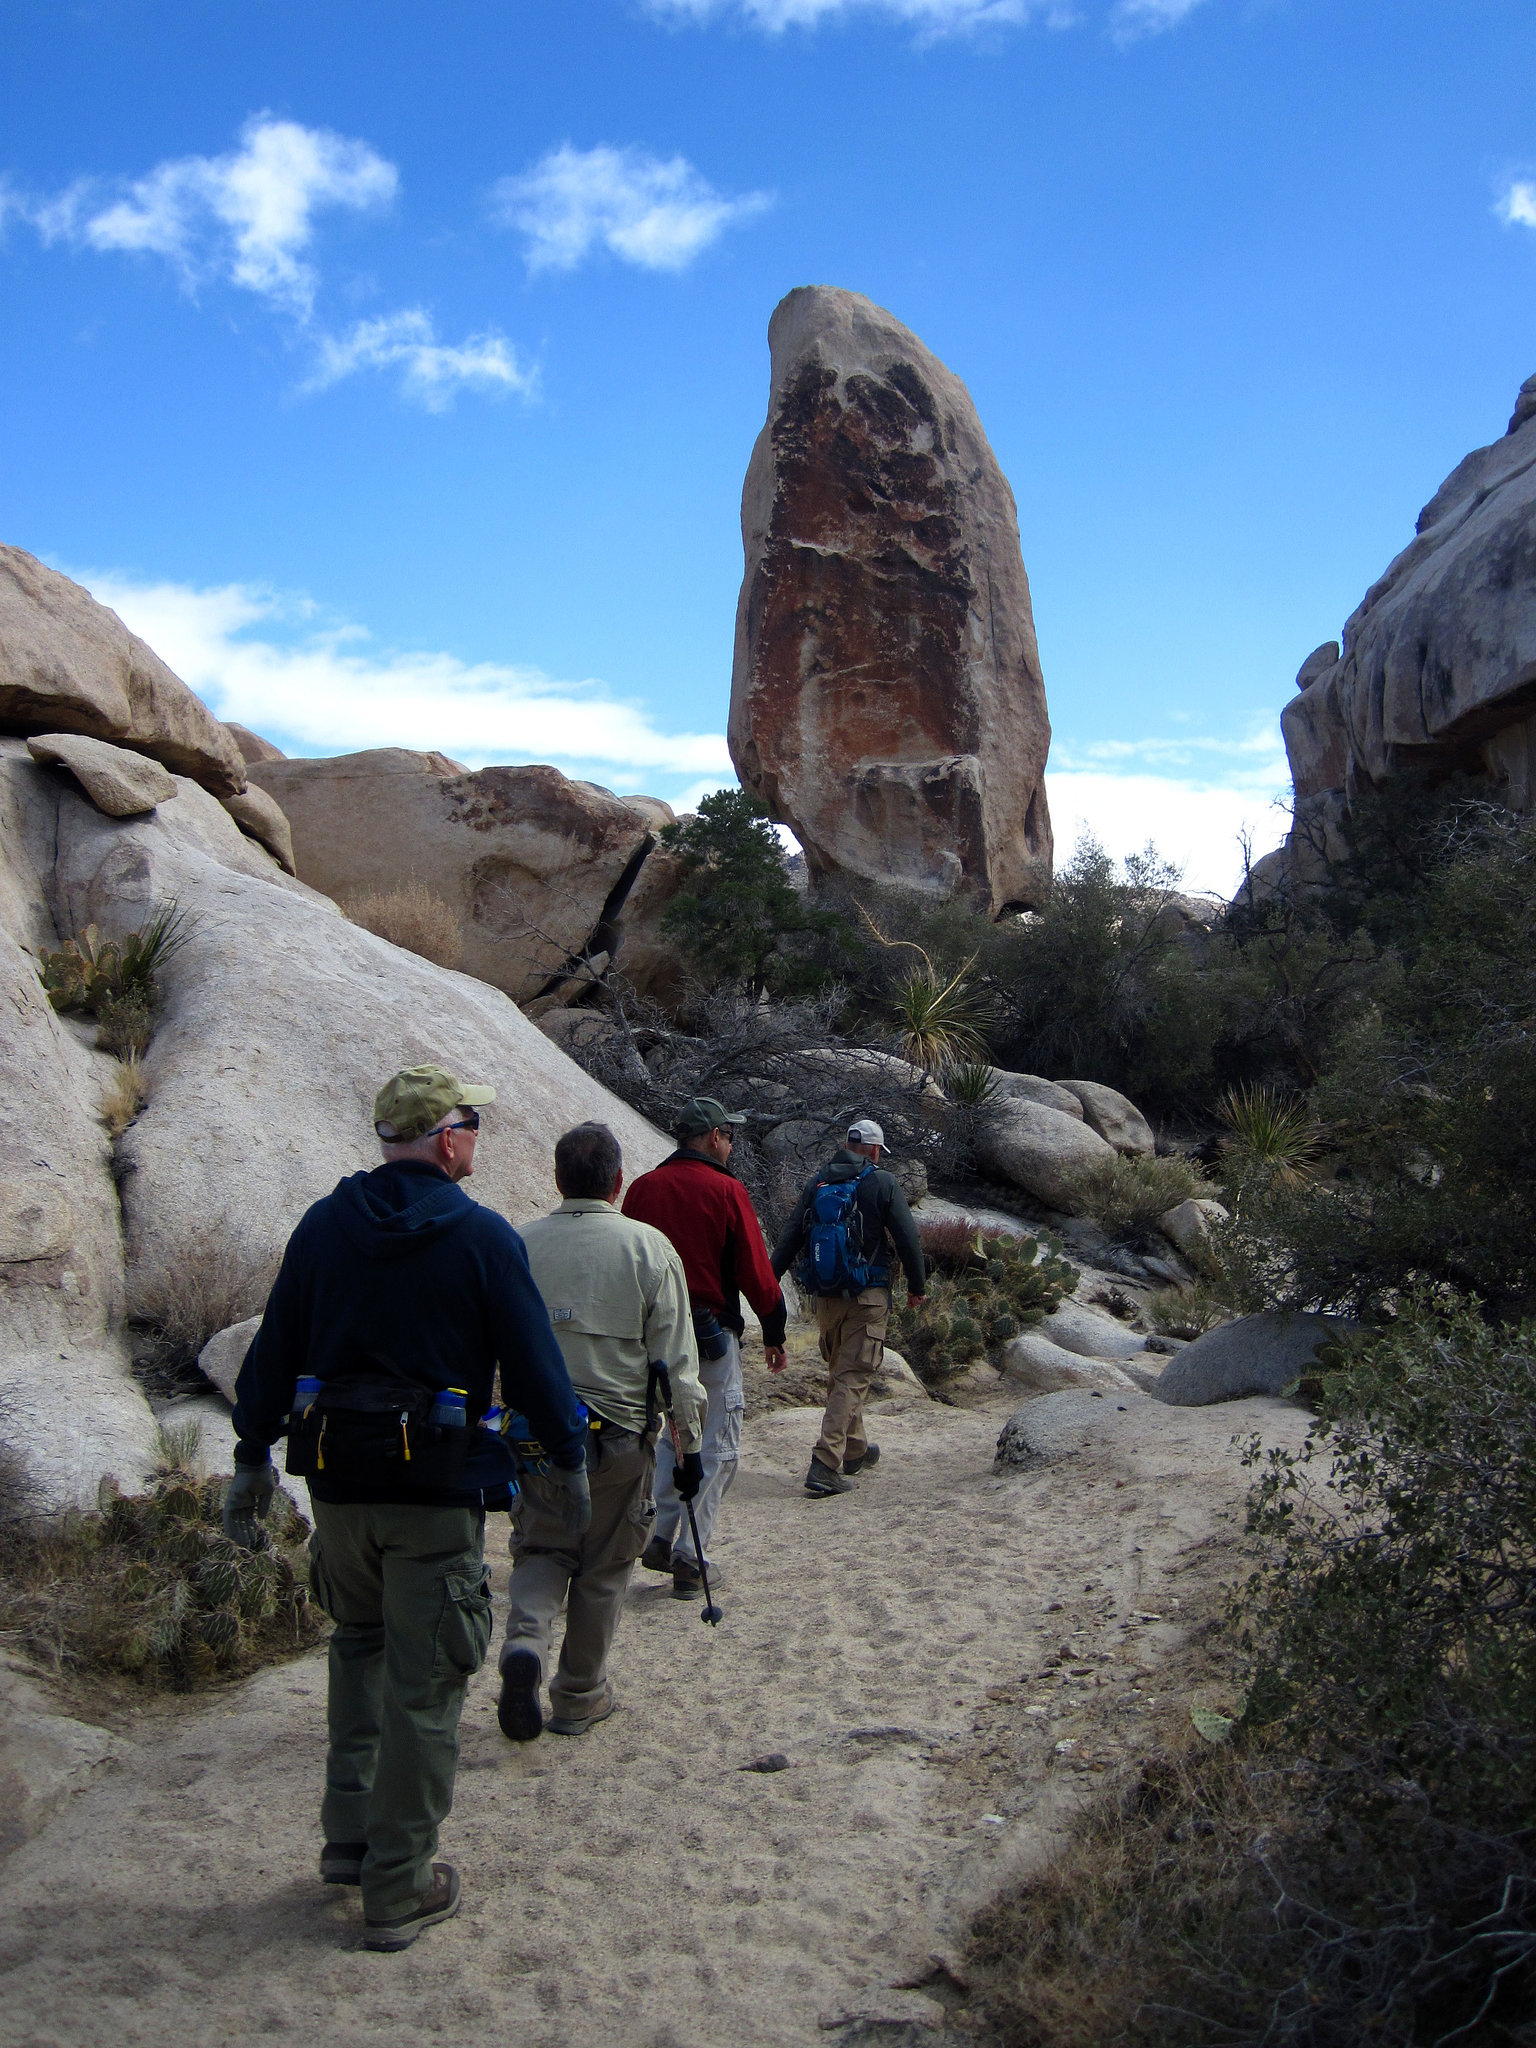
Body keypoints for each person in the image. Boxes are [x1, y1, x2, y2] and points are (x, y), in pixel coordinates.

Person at [225, 1064, 590, 1953]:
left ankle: (349, 1842)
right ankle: (398, 1884)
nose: (475, 1139)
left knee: (359, 1653)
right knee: (427, 1690)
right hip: (433, 1495)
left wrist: (249, 1455)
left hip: (338, 1490)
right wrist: (570, 1462)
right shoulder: (481, 1239)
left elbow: (274, 1350)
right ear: (445, 1136)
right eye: (471, 1124)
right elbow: (536, 1367)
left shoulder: (322, 1226)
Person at [499, 1121, 706, 1740]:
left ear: (557, 1179)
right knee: (604, 1566)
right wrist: (688, 1448)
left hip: (534, 1437)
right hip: (617, 1438)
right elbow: (676, 1365)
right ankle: (578, 1695)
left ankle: (526, 1644)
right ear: (618, 1182)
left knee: (542, 1547)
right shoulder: (649, 1249)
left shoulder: (520, 1245)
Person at [621, 1096, 787, 1599]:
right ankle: (691, 1559)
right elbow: (755, 1272)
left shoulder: (642, 1190)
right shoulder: (725, 1190)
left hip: (652, 1340)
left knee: (674, 1437)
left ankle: (662, 1534)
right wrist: (775, 1331)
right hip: (710, 1336)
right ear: (714, 1136)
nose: (732, 1143)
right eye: (729, 1135)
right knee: (718, 1444)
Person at [772, 1117, 926, 1499]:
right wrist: (917, 1287)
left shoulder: (819, 1182)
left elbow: (791, 1237)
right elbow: (907, 1238)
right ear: (875, 1151)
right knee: (854, 1375)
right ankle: (825, 1464)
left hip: (825, 1299)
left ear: (846, 1144)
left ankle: (855, 1450)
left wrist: (767, 1287)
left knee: (841, 1371)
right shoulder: (883, 1182)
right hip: (867, 1296)